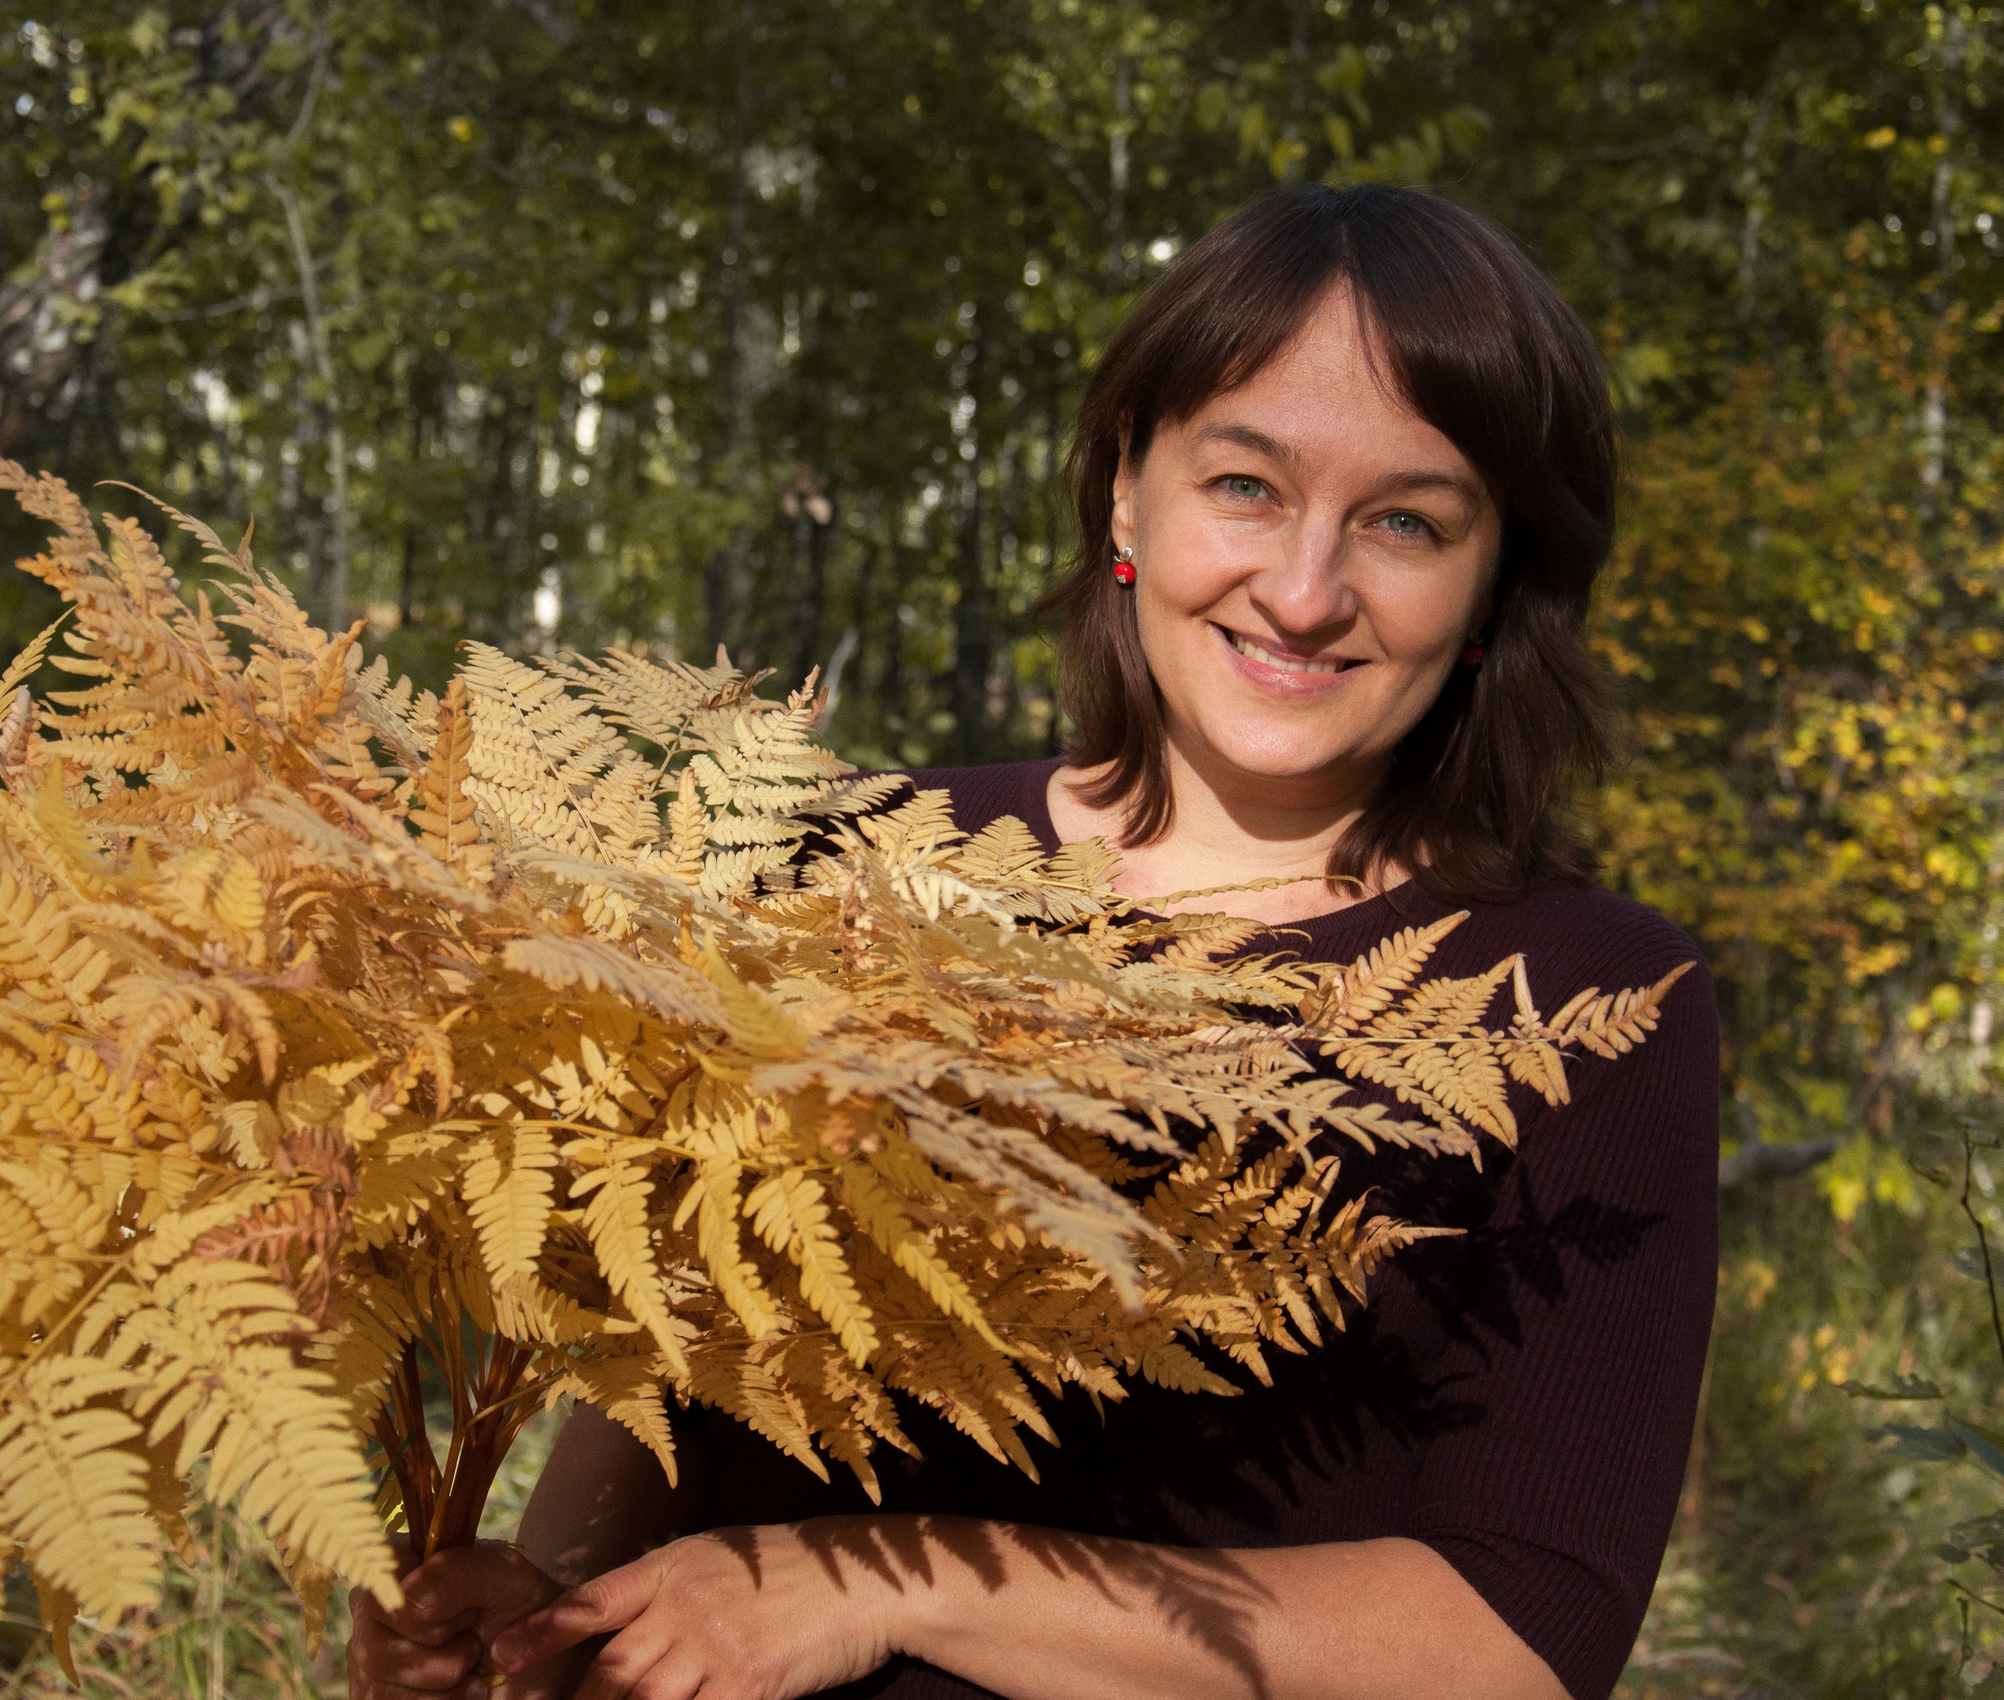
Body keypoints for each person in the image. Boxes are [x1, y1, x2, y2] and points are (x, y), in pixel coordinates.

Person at [346, 183, 1721, 1700]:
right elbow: (675, 1371)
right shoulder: (839, 863)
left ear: (1495, 580)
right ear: (1127, 491)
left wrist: (892, 1582)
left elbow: (1521, 1637)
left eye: (1406, 522)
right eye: (1246, 486)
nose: (1305, 592)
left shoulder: (1588, 998)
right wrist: (544, 1623)